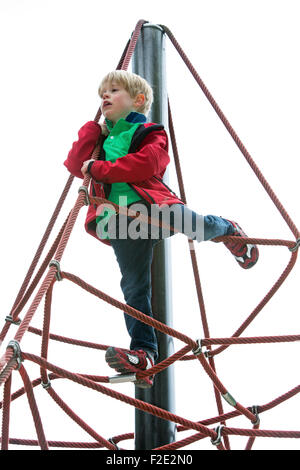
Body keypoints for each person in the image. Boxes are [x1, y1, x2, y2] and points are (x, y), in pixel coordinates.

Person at [64, 70, 259, 388]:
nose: (105, 96)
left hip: (152, 206)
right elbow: (75, 163)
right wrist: (92, 128)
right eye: (102, 93)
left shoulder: (147, 130)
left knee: (195, 226)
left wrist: (101, 168)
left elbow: (149, 163)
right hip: (120, 219)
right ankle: (145, 353)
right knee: (133, 288)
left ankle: (227, 229)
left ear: (138, 100)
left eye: (114, 90)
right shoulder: (101, 138)